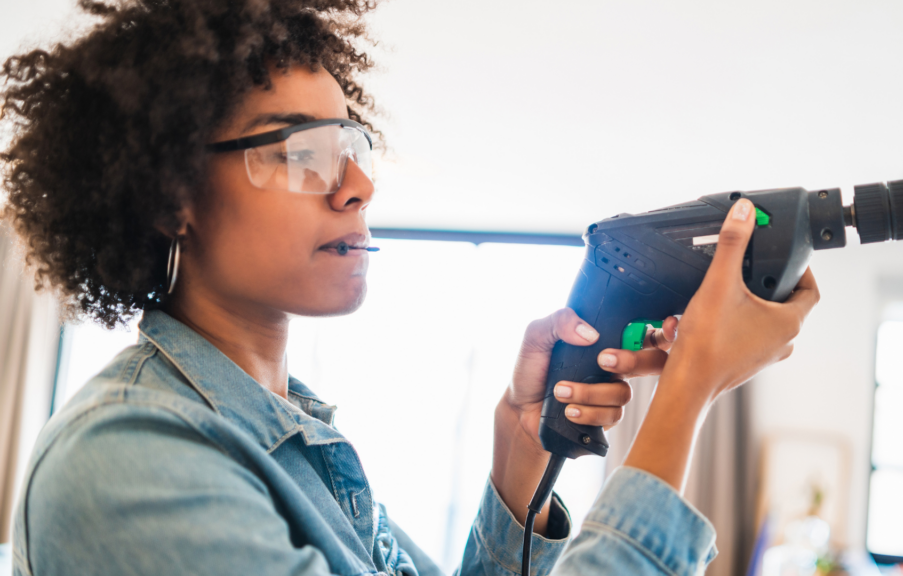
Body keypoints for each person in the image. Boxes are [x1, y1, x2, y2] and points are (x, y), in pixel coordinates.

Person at [0, 1, 819, 575]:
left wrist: (517, 471)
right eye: (302, 150)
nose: (358, 183)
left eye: (352, 144)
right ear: (171, 195)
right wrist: (687, 395)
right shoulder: (126, 460)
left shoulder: (292, 445)